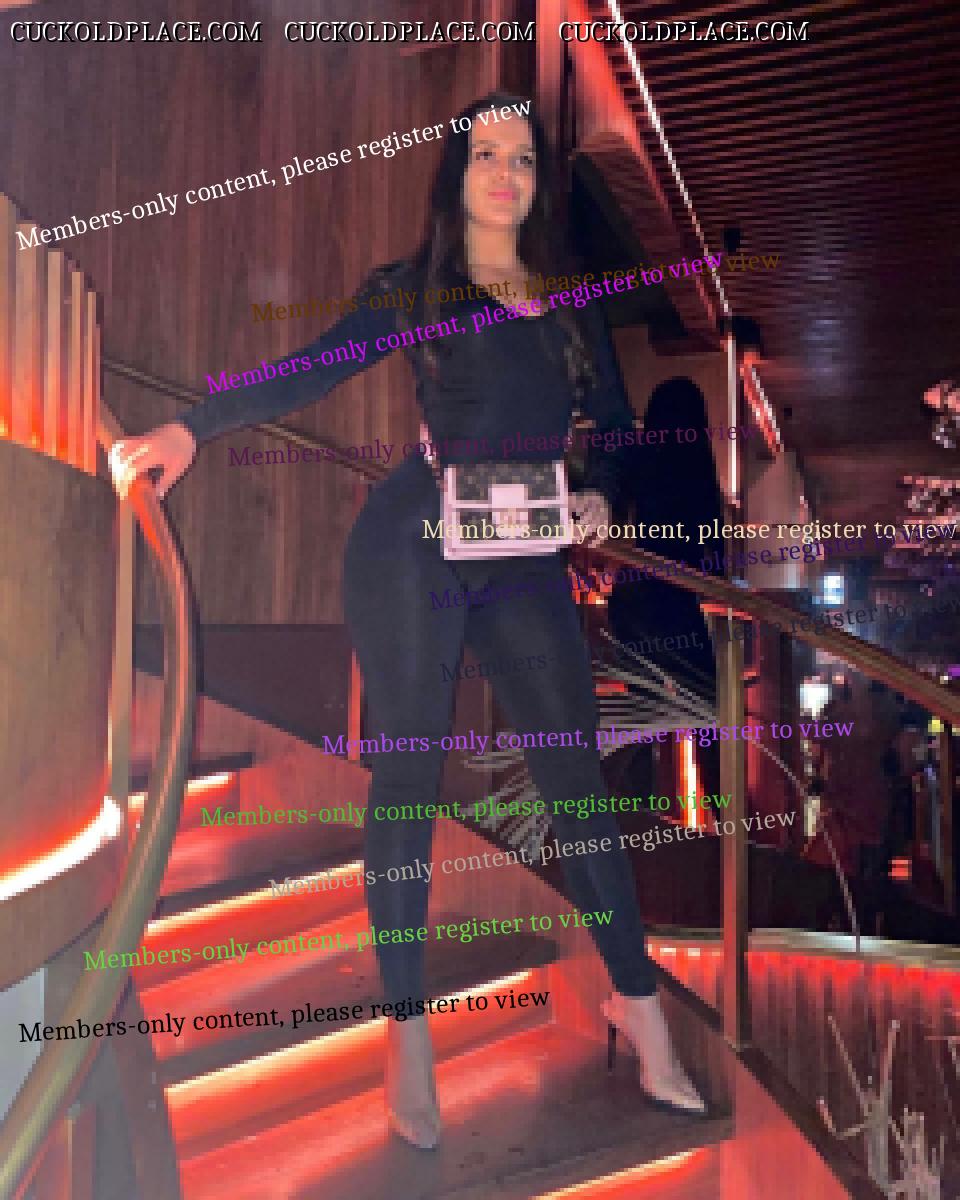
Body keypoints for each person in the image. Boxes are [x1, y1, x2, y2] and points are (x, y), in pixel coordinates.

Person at [109, 91, 704, 1150]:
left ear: (539, 183)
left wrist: (604, 492)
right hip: (413, 541)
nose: (506, 174)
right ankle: (407, 1025)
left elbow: (615, 427)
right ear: (455, 173)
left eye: (524, 159)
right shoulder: (415, 288)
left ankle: (639, 1004)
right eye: (486, 155)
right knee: (410, 774)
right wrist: (194, 430)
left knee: (575, 782)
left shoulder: (573, 305)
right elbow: (309, 366)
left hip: (523, 549)